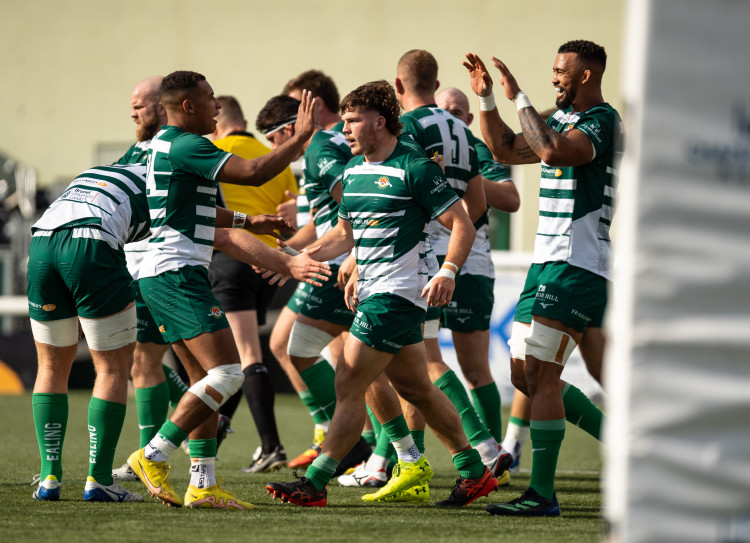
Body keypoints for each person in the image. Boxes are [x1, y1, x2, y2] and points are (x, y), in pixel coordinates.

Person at [266, 80, 497, 508]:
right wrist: (292, 256)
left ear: (381, 121)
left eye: (353, 122)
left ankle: (316, 482)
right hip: (374, 292)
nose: (346, 130)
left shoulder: (416, 167)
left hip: (398, 294)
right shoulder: (353, 172)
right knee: (418, 389)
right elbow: (343, 235)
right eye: (346, 120)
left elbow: (462, 223)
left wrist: (448, 270)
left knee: (349, 379)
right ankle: (473, 471)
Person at [127, 70, 330, 510]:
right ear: (188, 106)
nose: (217, 106)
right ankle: (153, 455)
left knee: (203, 382)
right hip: (176, 274)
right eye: (211, 98)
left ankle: (202, 484)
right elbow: (256, 173)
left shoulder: (164, 144)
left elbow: (200, 215)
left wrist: (249, 221)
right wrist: (301, 138)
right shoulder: (187, 143)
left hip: (164, 272)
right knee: (229, 374)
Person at [463, 40, 621, 517]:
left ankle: (543, 494)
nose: (554, 78)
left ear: (585, 76)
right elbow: (506, 148)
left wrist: (518, 96)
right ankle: (627, 445)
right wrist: (488, 99)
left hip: (576, 264)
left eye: (560, 71)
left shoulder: (602, 120)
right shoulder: (559, 116)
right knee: (523, 376)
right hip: (547, 264)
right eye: (553, 71)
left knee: (541, 375)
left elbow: (551, 151)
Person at [394, 51, 513, 484]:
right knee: (418, 363)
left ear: (399, 84)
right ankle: (409, 461)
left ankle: (481, 448)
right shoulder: (464, 134)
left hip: (421, 261)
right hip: (460, 257)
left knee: (420, 361)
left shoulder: (406, 127)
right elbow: (478, 205)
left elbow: (407, 194)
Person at [29, 164, 151, 503]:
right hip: (91, 244)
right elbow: (205, 226)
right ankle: (99, 479)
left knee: (51, 367)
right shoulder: (174, 175)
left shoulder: (107, 168)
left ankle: (49, 477)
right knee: (112, 367)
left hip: (41, 242)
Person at [275, 71, 372, 473]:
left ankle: (364, 447)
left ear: (311, 105)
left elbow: (354, 205)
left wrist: (354, 250)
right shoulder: (330, 145)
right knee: (372, 369)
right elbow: (330, 215)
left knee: (396, 374)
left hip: (344, 266)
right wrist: (289, 249)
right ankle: (347, 441)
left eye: (296, 107)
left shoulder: (321, 144)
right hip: (340, 259)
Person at [207, 95, 298, 472]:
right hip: (270, 264)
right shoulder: (273, 157)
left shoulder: (212, 150)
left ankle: (270, 445)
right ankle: (220, 428)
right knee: (243, 355)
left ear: (217, 124)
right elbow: (291, 213)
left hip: (232, 257)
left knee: (244, 357)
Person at [111, 76, 190, 483]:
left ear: (162, 106)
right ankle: (187, 428)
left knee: (146, 359)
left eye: (139, 105)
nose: (132, 113)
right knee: (151, 358)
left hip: (161, 267)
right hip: (137, 267)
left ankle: (150, 454)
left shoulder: (177, 147)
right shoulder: (135, 150)